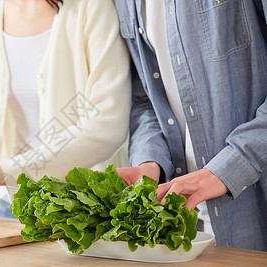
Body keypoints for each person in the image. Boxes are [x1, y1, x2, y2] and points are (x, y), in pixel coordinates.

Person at [0, 0, 131, 216]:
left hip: (86, 207)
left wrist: (6, 170)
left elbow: (108, 123)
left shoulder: (92, 6)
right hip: (16, 201)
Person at [113, 0, 267, 251]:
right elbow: (146, 100)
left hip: (253, 222)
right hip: (187, 235)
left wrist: (228, 168)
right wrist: (150, 163)